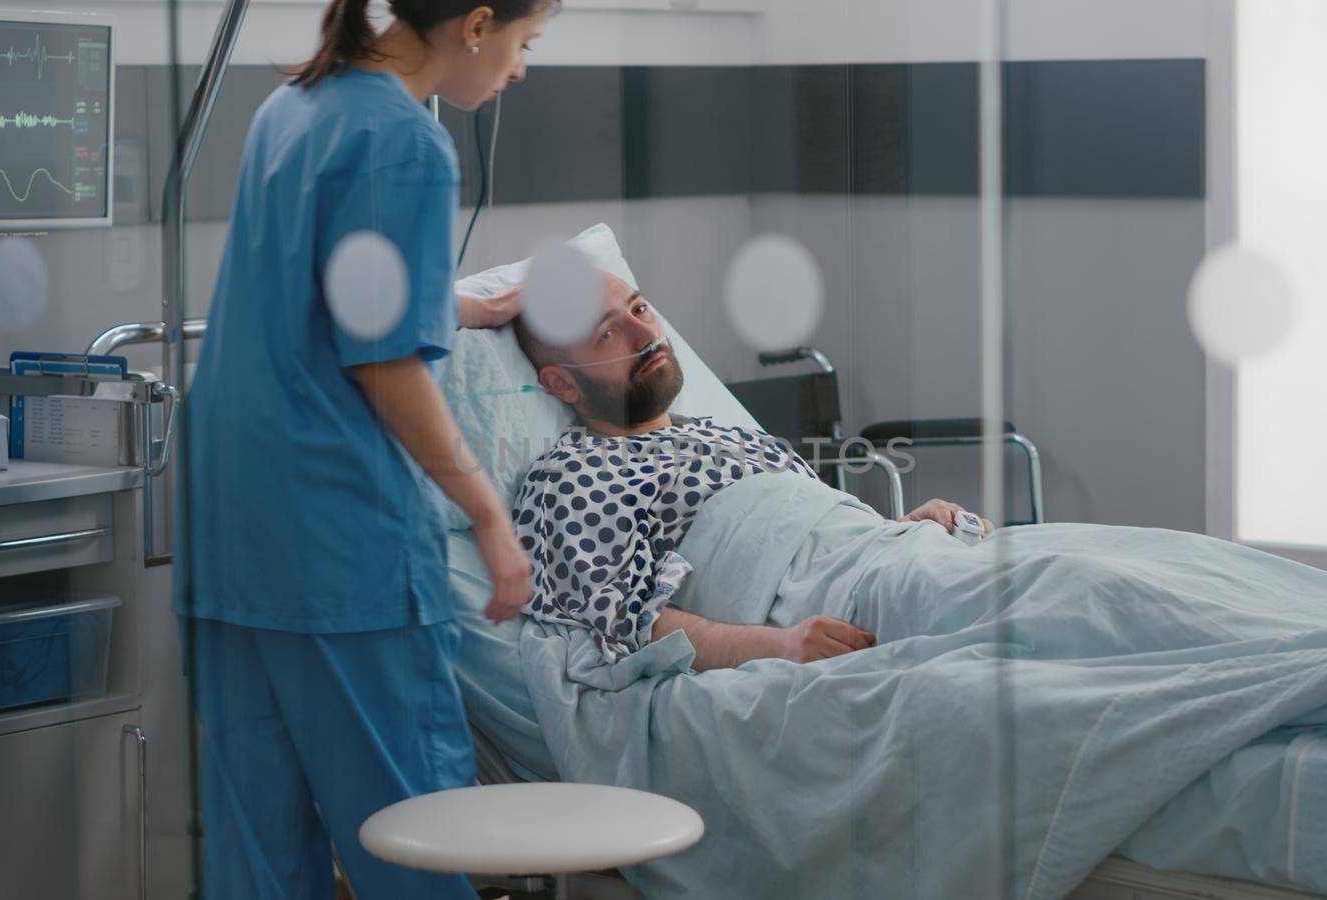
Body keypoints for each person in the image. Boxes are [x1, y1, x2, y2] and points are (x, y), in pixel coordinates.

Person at [176, 2, 556, 897]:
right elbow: (385, 364)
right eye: (523, 44)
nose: (520, 71)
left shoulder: (296, 106)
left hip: (230, 526)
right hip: (336, 541)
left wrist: (446, 302)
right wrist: (489, 514)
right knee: (411, 837)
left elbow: (311, 281)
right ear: (475, 23)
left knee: (254, 850)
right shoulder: (406, 143)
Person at [510, 270, 988, 668]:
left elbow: (823, 537)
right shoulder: (573, 475)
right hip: (844, 601)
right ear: (563, 384)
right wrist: (779, 647)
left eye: (639, 310)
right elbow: (619, 623)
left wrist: (904, 527)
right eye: (607, 334)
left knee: (1041, 569)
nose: (647, 337)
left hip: (891, 558)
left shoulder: (733, 436)